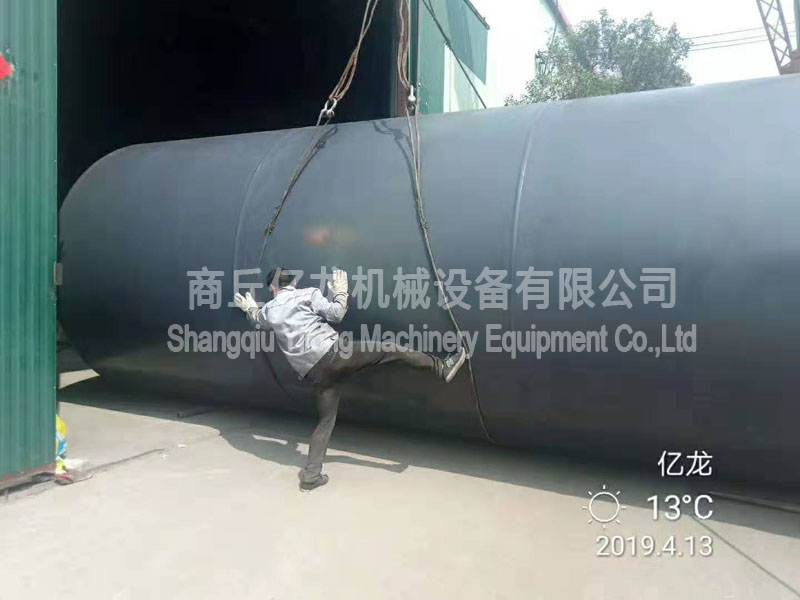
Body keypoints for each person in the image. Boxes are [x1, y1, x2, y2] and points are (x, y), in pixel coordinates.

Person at [234, 266, 467, 491]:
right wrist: (341, 292)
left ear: (272, 289)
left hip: (315, 373)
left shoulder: (269, 311)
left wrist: (250, 308)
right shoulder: (307, 294)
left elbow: (257, 320)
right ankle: (441, 367)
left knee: (325, 421)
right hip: (335, 354)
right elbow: (336, 314)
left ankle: (311, 475)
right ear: (294, 282)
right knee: (390, 350)